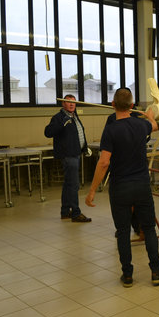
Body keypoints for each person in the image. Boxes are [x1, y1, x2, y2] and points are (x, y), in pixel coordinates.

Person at [85, 88, 159, 287]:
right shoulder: (141, 125)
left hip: (120, 187)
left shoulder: (110, 130)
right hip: (142, 185)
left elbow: (104, 163)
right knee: (149, 228)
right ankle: (156, 271)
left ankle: (127, 275)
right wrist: (149, 115)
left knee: (123, 231)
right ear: (132, 106)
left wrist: (92, 191)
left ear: (113, 105)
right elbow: (154, 126)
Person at [44, 94, 91, 222]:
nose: (71, 104)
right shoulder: (59, 117)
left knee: (68, 184)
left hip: (76, 153)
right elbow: (48, 132)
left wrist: (84, 147)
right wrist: (62, 124)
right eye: (68, 102)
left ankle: (65, 212)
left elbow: (79, 133)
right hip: (68, 155)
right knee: (74, 185)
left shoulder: (75, 116)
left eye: (73, 103)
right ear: (63, 104)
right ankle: (76, 213)